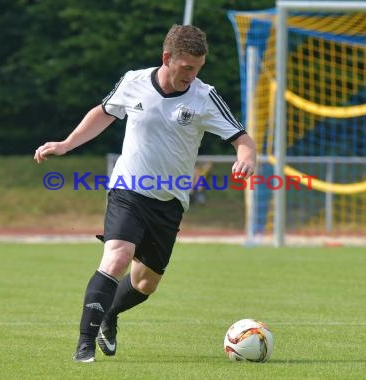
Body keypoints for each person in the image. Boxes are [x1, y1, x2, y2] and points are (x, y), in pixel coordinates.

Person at [34, 24, 256, 363]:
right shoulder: (134, 82)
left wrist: (246, 158)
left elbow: (241, 138)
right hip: (128, 190)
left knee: (144, 283)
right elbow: (103, 113)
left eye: (198, 69)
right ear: (167, 58)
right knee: (117, 258)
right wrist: (66, 144)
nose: (192, 76)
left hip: (169, 204)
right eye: (186, 68)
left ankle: (109, 313)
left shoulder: (203, 96)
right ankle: (84, 346)